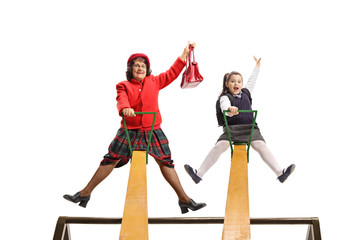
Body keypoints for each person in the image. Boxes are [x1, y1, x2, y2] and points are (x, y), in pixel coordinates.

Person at [64, 42, 206, 214]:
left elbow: (172, 73)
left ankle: (184, 199)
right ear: (130, 69)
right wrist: (125, 108)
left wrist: (184, 54)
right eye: (137, 66)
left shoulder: (154, 81)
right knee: (111, 158)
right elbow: (121, 99)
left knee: (166, 162)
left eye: (143, 65)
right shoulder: (123, 85)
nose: (140, 68)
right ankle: (85, 193)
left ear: (148, 69)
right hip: (129, 131)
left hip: (153, 130)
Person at [184, 56, 295, 184]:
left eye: (239, 82)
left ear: (242, 84)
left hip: (250, 128)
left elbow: (252, 80)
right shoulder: (225, 97)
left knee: (260, 145)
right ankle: (199, 173)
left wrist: (257, 67)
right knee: (220, 146)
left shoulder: (246, 93)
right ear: (227, 84)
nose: (236, 84)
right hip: (232, 130)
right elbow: (224, 107)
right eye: (232, 81)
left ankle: (280, 172)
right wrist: (230, 110)